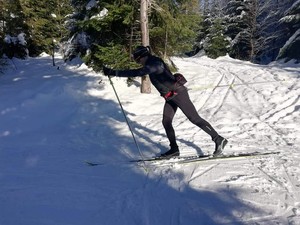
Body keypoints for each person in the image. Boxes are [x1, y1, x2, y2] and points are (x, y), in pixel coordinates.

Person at [103, 46, 227, 157]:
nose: (138, 62)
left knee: (194, 118)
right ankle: (174, 149)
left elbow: (138, 72)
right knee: (166, 121)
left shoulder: (154, 64)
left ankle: (218, 139)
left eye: (138, 59)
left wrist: (114, 72)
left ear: (142, 57)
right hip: (170, 97)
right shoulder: (151, 62)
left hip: (178, 94)